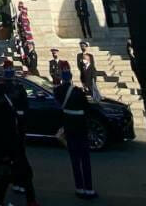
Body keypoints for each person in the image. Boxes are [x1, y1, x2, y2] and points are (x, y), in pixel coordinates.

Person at [0, 59, 38, 206]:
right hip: (17, 134)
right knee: (23, 167)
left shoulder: (0, 90)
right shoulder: (19, 89)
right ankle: (30, 199)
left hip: (4, 136)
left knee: (6, 168)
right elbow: (26, 109)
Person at [56, 61, 97, 199]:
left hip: (69, 126)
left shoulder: (58, 91)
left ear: (61, 77)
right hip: (80, 126)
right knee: (85, 158)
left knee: (74, 159)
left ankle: (79, 187)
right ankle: (89, 188)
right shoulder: (78, 91)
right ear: (71, 76)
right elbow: (87, 108)